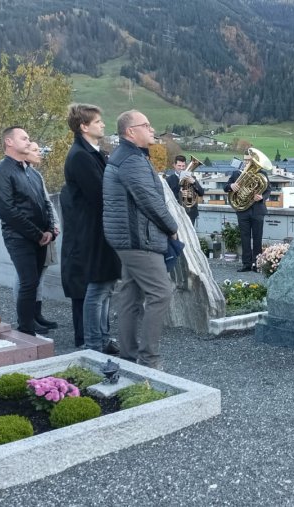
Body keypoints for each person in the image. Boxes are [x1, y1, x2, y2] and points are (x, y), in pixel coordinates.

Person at [102, 110, 178, 369]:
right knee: (161, 292)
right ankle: (149, 359)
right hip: (138, 240)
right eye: (146, 125)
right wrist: (171, 227)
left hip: (129, 239)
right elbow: (149, 200)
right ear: (130, 131)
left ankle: (128, 355)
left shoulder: (126, 156)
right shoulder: (131, 160)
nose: (152, 129)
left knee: (129, 296)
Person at [61, 103, 121, 354]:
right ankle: (93, 343)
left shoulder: (93, 153)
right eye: (97, 122)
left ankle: (103, 338)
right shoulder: (80, 156)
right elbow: (99, 194)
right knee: (97, 288)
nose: (103, 124)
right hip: (93, 231)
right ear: (83, 126)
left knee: (106, 286)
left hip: (100, 228)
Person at [0, 127, 57, 336]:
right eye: (24, 138)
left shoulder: (32, 173)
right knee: (28, 283)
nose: (29, 142)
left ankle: (31, 325)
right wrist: (38, 234)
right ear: (9, 142)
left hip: (41, 237)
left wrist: (49, 230)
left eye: (29, 138)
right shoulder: (1, 171)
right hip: (19, 237)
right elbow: (7, 210)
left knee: (34, 282)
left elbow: (45, 203)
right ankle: (26, 330)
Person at [18, 142, 60, 332]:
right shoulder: (18, 175)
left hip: (45, 231)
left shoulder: (35, 175)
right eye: (35, 150)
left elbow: (46, 202)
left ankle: (37, 314)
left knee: (40, 276)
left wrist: (53, 224)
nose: (39, 153)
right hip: (31, 233)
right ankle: (26, 317)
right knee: (27, 279)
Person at [226, 154, 271, 272]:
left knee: (257, 238)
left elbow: (268, 190)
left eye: (250, 160)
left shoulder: (262, 173)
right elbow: (226, 187)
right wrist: (231, 185)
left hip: (258, 210)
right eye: (245, 160)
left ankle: (257, 264)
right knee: (244, 238)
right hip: (242, 211)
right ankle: (246, 264)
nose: (247, 162)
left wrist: (262, 197)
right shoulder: (236, 174)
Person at [164, 155, 205, 225]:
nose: (181, 168)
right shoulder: (169, 180)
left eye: (183, 166)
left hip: (191, 213)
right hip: (176, 213)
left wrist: (194, 182)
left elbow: (201, 192)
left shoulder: (192, 178)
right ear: (174, 165)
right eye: (179, 166)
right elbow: (167, 197)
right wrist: (180, 193)